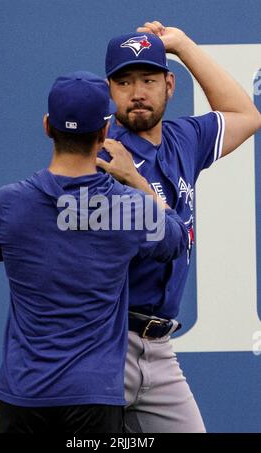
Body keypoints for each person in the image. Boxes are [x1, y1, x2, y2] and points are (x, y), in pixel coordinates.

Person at [0, 71, 189, 433]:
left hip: (22, 396)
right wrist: (139, 184)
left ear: (47, 126)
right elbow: (176, 239)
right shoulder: (132, 209)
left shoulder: (8, 204)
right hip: (92, 400)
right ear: (105, 133)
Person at [97, 22, 261, 433]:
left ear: (170, 84)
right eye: (125, 82)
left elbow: (245, 114)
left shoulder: (182, 138)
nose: (137, 92)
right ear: (109, 90)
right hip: (104, 343)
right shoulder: (101, 155)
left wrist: (184, 45)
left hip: (159, 348)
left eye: (149, 80)